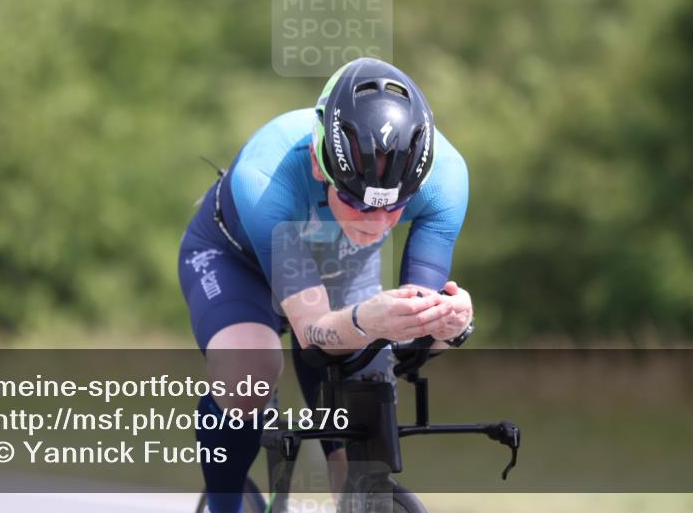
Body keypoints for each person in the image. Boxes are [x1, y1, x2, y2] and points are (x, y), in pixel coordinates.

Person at [179, 57, 474, 513]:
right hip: (236, 260)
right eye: (356, 202)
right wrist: (366, 321)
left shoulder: (445, 181)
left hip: (340, 269)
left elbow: (414, 339)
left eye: (395, 208)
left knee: (364, 401)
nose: (377, 224)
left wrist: (447, 326)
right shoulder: (268, 175)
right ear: (320, 166)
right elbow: (314, 330)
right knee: (250, 375)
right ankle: (224, 505)